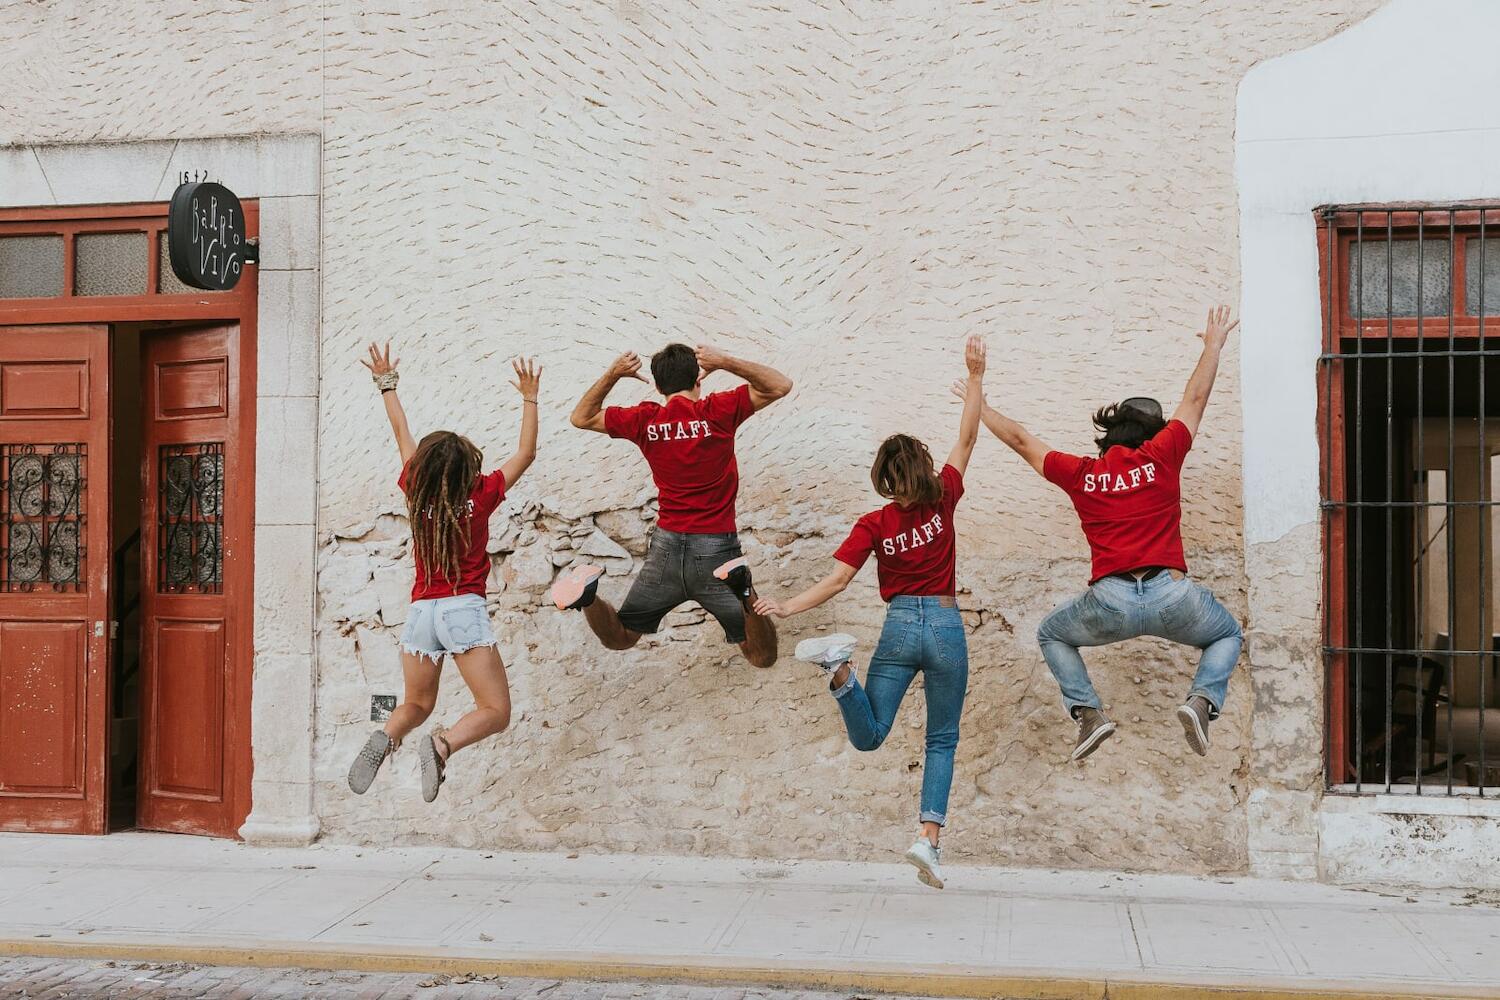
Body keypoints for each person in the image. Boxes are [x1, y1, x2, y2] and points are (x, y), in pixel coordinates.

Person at [753, 337, 986, 890]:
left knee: (869, 736)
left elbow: (836, 581)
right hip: (948, 626)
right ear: (924, 470)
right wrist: (976, 376)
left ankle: (840, 672)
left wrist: (785, 605)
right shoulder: (944, 496)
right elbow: (969, 435)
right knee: (942, 739)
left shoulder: (874, 523)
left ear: (883, 476)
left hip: (901, 626)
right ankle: (928, 841)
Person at [961, 306, 1242, 763]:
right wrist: (1213, 345)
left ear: (1108, 437)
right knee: (1227, 634)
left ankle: (1089, 714)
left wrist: (978, 398)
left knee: (1052, 633)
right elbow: (1194, 400)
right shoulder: (1164, 454)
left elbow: (1020, 440)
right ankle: (1201, 701)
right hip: (1173, 596)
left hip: (1110, 601)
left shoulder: (1081, 474)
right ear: (1152, 434)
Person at [346, 342, 540, 802]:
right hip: (462, 613)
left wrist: (386, 383)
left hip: (420, 616)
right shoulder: (482, 494)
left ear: (426, 468)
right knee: (495, 710)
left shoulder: (416, 490)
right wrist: (529, 397)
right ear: (467, 467)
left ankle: (387, 736)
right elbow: (525, 454)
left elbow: (401, 432)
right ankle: (441, 744)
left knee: (416, 702)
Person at [549, 343, 792, 667]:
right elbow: (780, 385)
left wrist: (615, 373)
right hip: (716, 551)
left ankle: (588, 597)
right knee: (761, 656)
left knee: (620, 637)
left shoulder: (646, 419)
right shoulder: (717, 410)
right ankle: (744, 592)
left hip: (666, 547)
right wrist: (724, 361)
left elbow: (581, 417)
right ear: (698, 379)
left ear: (659, 386)